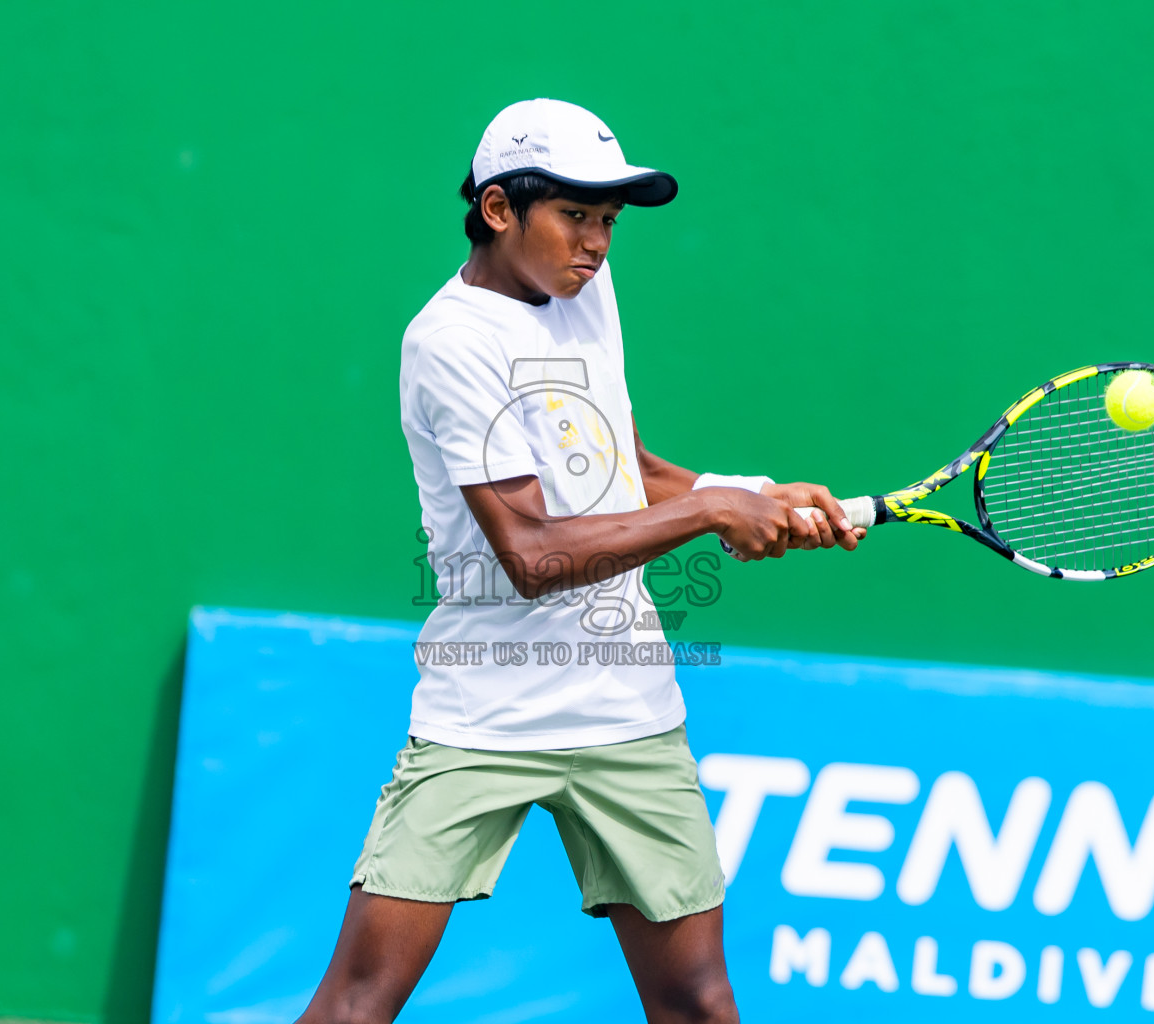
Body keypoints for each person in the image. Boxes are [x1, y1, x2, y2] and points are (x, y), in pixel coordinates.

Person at [297, 98, 866, 1024]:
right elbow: (528, 552)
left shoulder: (583, 294)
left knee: (697, 999)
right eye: (575, 216)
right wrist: (716, 511)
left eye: (609, 221)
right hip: (483, 717)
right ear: (496, 210)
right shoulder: (450, 342)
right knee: (362, 998)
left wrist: (750, 491)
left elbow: (623, 469)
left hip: (628, 713)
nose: (597, 243)